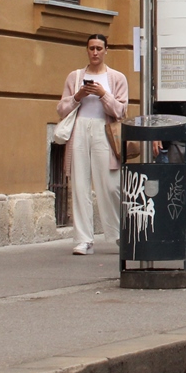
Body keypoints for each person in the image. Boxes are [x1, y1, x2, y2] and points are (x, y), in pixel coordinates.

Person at [57, 34, 128, 255]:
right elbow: (61, 110)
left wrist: (103, 94)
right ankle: (83, 239)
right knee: (80, 184)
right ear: (86, 50)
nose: (95, 52)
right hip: (79, 129)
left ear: (106, 50)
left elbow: (121, 111)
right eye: (91, 48)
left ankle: (118, 234)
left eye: (99, 48)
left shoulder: (116, 78)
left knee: (109, 185)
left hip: (104, 130)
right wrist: (78, 95)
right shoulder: (75, 76)